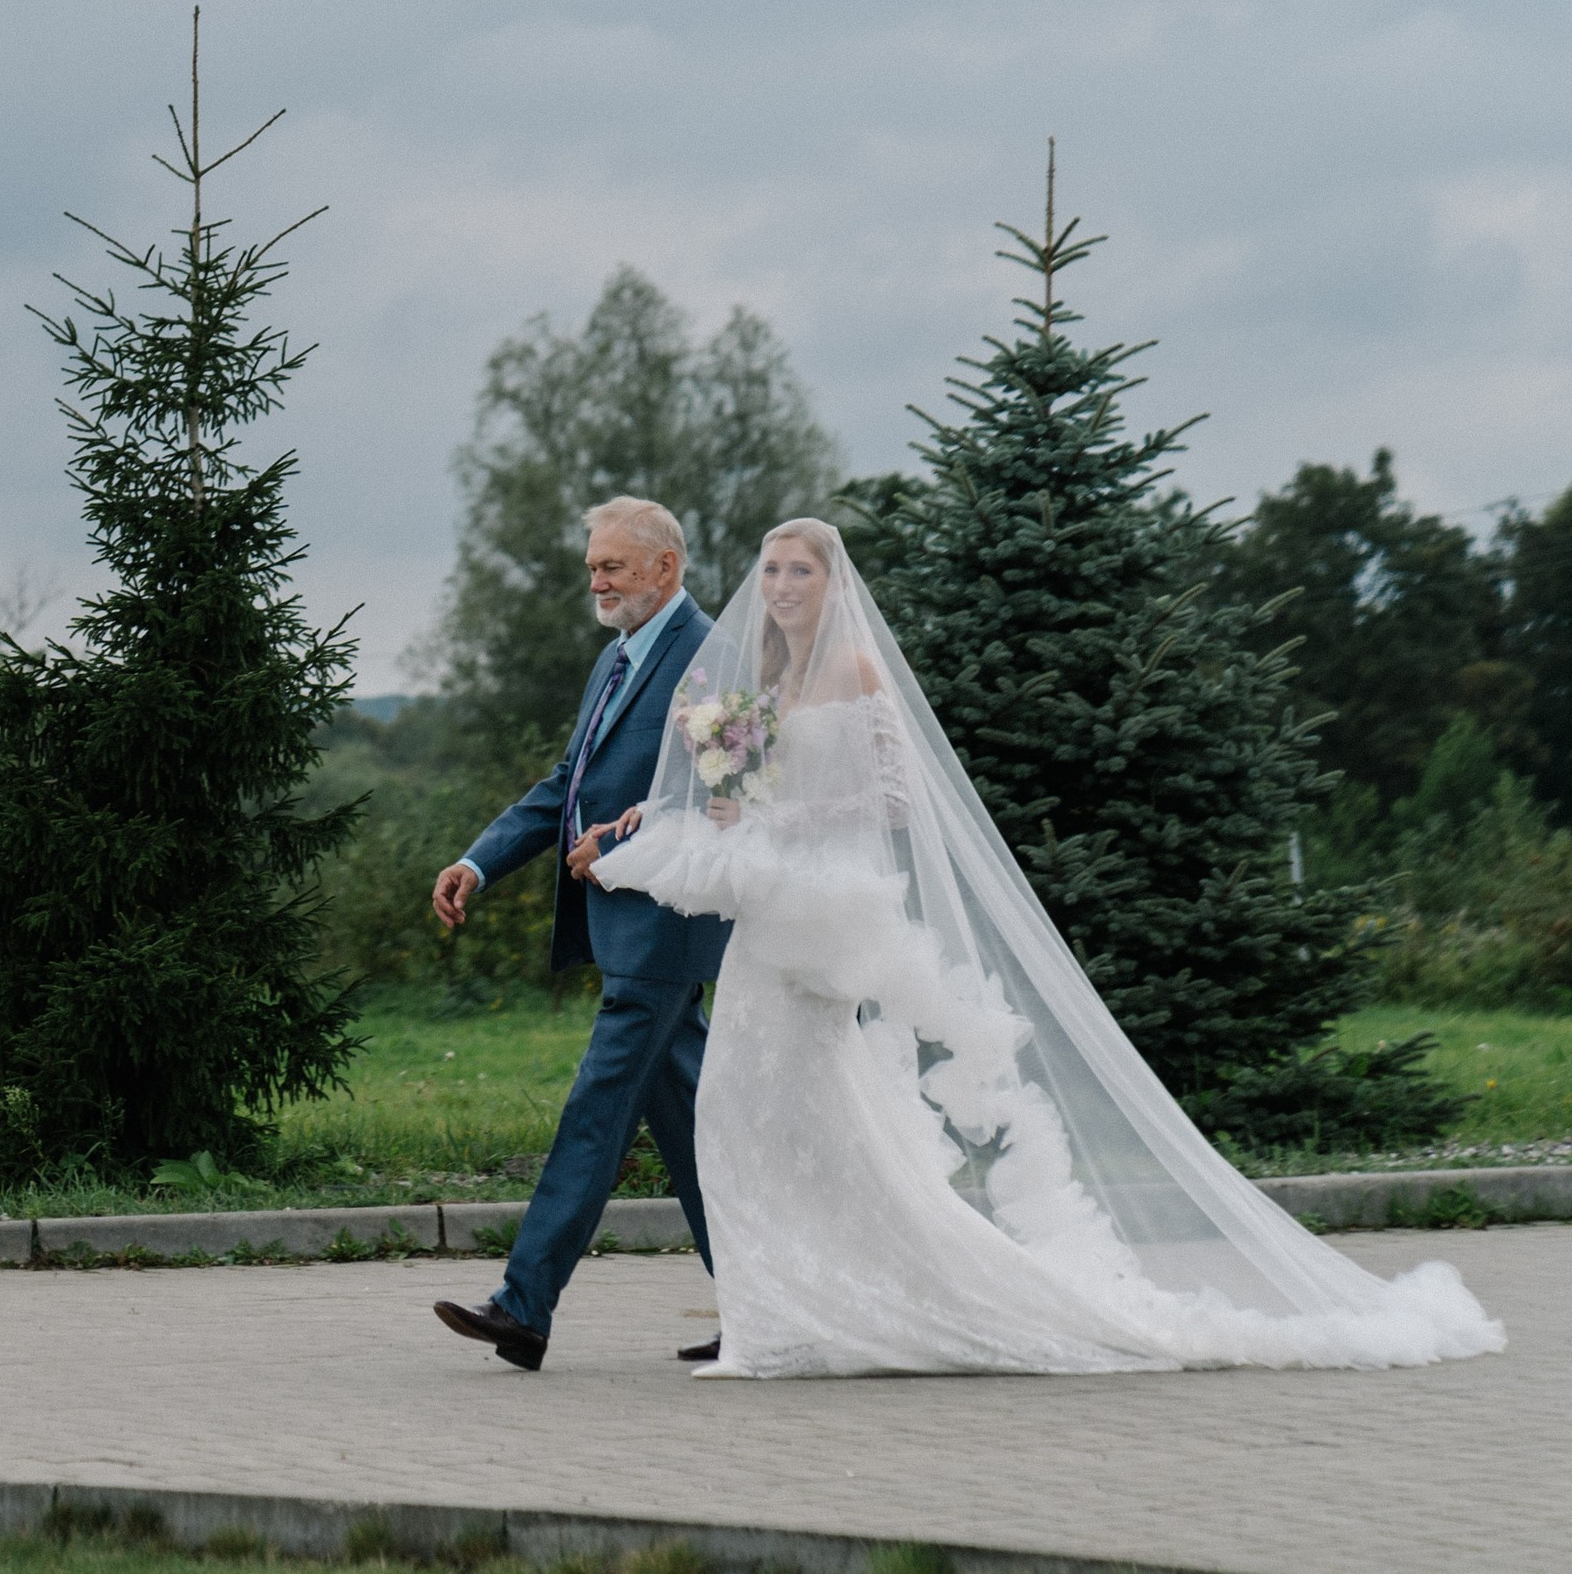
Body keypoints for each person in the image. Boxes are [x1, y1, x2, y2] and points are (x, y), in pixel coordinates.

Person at [585, 517, 1505, 1376]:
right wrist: (668, 818)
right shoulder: (762, 685)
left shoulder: (858, 669)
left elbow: (893, 801)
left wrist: (781, 815)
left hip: (822, 929)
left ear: (833, 585)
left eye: (801, 570)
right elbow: (727, 797)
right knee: (752, 1114)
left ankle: (833, 1311)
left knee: (778, 1113)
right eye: (772, 570)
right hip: (768, 930)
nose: (782, 585)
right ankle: (786, 1313)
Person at [427, 496, 733, 1371]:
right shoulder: (616, 656)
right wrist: (479, 861)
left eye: (612, 567)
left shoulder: (711, 656)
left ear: (665, 568)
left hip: (667, 928)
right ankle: (768, 1305)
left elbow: (718, 795)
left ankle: (525, 1305)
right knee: (694, 1136)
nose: (596, 581)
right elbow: (569, 781)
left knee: (594, 1113)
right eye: (593, 566)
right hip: (627, 930)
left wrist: (622, 842)